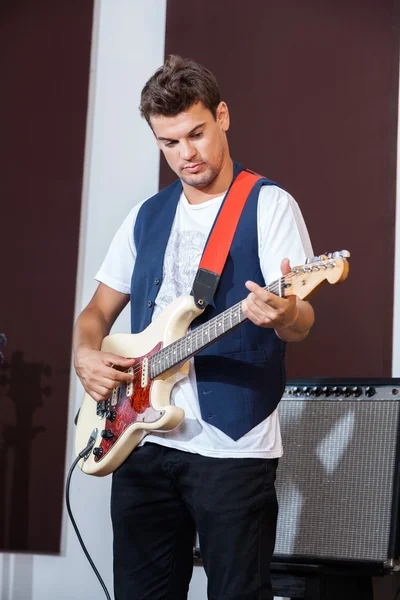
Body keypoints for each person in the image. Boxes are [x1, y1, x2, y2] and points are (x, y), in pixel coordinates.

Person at [73, 55, 315, 600]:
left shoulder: (268, 206)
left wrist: (286, 314)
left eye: (196, 134)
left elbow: (301, 322)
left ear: (222, 116)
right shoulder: (146, 216)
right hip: (140, 440)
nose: (186, 154)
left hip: (233, 449)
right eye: (168, 143)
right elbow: (95, 314)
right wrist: (85, 354)